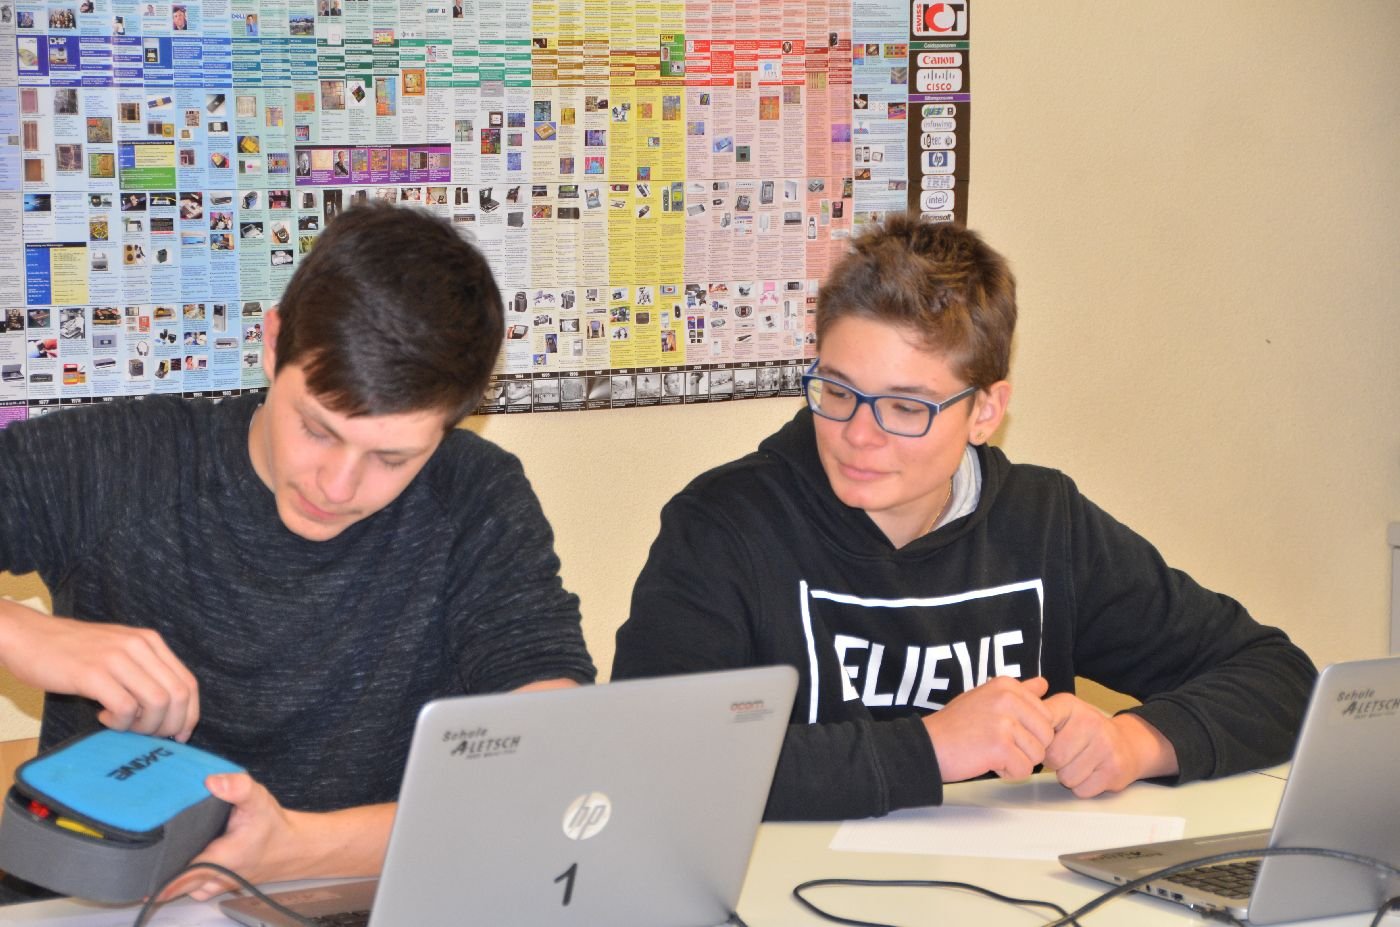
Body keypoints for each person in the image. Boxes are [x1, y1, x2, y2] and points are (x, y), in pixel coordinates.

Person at [613, 214, 1316, 821]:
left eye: (905, 407)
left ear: (985, 411)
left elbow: (1278, 676)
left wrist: (1134, 743)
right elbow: (651, 759)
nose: (859, 435)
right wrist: (931, 748)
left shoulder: (1044, 524)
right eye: (837, 391)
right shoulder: (725, 527)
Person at [0, 204, 595, 901]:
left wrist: (296, 849)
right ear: (273, 342)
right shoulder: (119, 463)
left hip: (361, 897)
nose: (336, 486)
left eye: (393, 458)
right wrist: (20, 632)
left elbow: (552, 768)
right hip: (99, 906)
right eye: (317, 429)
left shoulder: (474, 498)